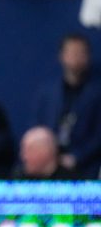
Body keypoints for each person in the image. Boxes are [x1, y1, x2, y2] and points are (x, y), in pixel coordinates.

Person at [32, 33, 101, 179]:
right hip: (48, 166)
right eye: (72, 52)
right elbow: (38, 128)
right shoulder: (48, 93)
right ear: (62, 56)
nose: (76, 57)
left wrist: (76, 157)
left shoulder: (96, 93)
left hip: (86, 168)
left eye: (81, 52)